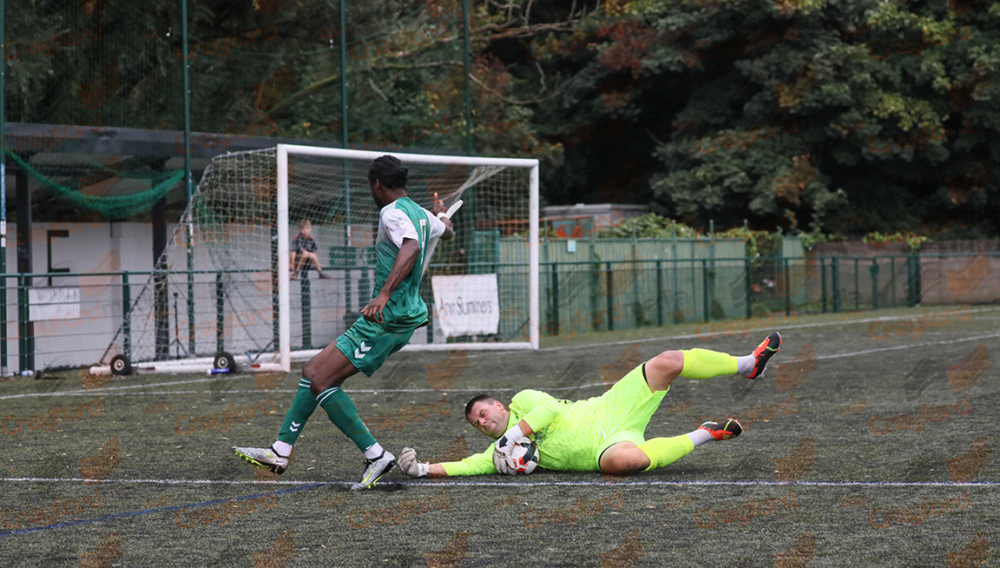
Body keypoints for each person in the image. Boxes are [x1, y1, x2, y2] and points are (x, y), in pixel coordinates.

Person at [235, 155, 454, 489]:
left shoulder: (392, 212)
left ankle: (376, 455)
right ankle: (280, 450)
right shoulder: (420, 213)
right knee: (312, 371)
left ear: (377, 184)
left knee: (322, 380)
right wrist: (440, 213)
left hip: (387, 317)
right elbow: (447, 230)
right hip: (396, 316)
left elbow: (410, 247)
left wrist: (383, 294)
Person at [398, 333, 782, 478]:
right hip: (603, 450)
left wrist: (512, 435)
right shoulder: (498, 453)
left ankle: (749, 365)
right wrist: (420, 470)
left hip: (608, 407)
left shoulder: (524, 402)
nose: (482, 423)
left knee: (669, 360)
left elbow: (547, 411)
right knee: (627, 464)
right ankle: (705, 432)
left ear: (498, 405)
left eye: (482, 414)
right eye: (476, 425)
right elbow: (466, 467)